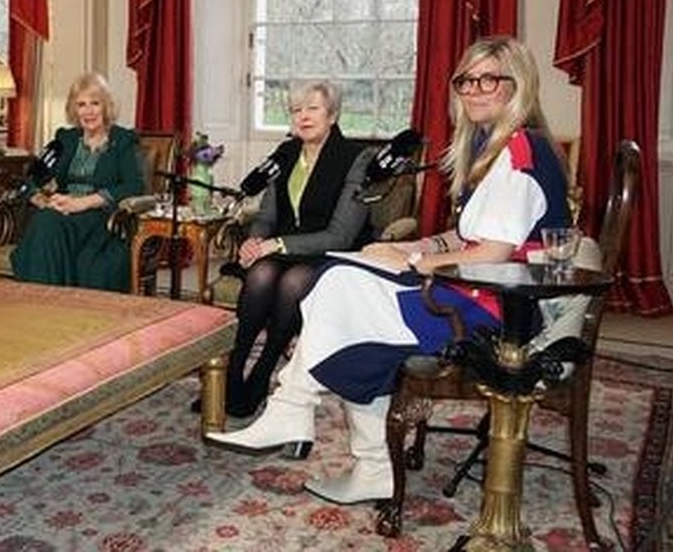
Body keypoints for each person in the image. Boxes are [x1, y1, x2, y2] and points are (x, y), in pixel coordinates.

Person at [206, 36, 571, 506]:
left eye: (489, 80)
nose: (474, 91)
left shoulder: (520, 150)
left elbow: (495, 253)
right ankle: (355, 457)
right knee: (342, 286)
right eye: (466, 81)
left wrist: (416, 261)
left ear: (517, 85)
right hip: (470, 292)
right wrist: (411, 245)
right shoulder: (490, 146)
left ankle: (294, 411)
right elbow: (468, 235)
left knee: (341, 298)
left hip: (497, 311)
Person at [201, 81, 372, 419]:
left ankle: (262, 373)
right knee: (261, 275)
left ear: (332, 115)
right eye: (296, 110)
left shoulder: (357, 158)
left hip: (331, 254)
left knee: (293, 282)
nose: (303, 116)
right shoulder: (286, 154)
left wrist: (275, 243)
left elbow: (340, 235)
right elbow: (267, 216)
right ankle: (231, 372)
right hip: (282, 250)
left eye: (312, 109)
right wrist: (254, 241)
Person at [10, 72, 144, 291]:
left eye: (95, 103)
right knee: (46, 220)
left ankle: (42, 297)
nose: (88, 111)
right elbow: (31, 177)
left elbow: (134, 186)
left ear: (106, 106)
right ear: (74, 109)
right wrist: (42, 199)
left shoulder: (122, 141)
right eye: (81, 104)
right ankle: (44, 298)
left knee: (47, 224)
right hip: (62, 211)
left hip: (99, 217)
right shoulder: (65, 139)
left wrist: (83, 203)